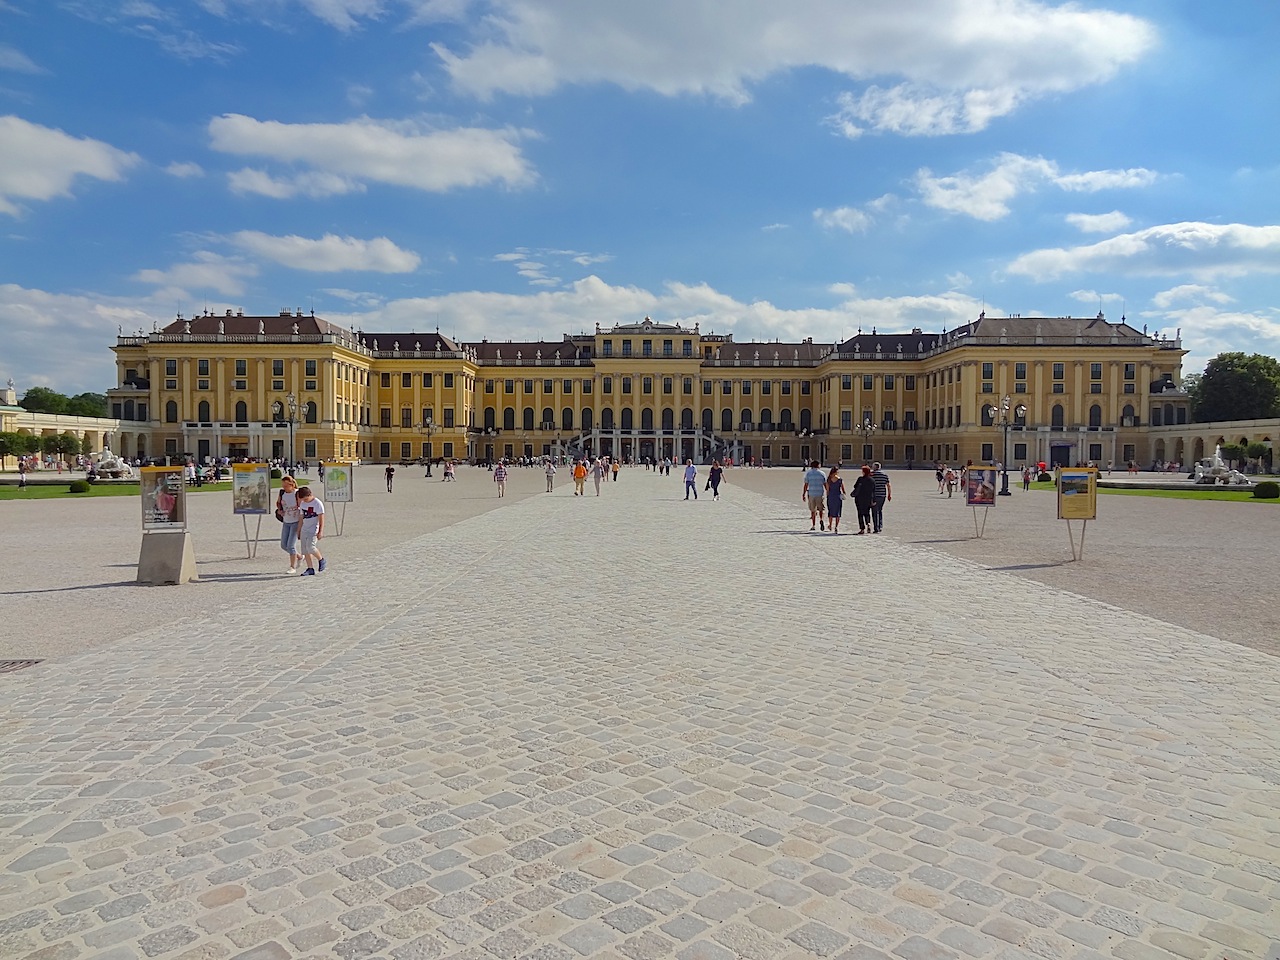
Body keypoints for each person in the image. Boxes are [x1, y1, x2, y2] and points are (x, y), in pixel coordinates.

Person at [296, 485, 325, 575]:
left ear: (309, 495)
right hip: (305, 528)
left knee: (311, 547)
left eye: (305, 499)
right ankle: (310, 568)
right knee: (305, 550)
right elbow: (301, 517)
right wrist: (299, 530)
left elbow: (321, 518)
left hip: (313, 529)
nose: (304, 501)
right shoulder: (303, 504)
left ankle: (321, 559)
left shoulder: (317, 503)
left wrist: (320, 531)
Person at [277, 475, 302, 573]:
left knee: (291, 545)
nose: (284, 488)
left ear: (292, 485)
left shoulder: (297, 493)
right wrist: (280, 510)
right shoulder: (282, 493)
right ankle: (299, 556)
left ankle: (292, 567)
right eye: (283, 486)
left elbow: (302, 505)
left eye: (286, 486)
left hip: (295, 521)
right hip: (286, 521)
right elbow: (279, 503)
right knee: (283, 545)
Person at [802, 460, 826, 531]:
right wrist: (828, 491)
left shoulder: (808, 473)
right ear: (818, 465)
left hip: (811, 493)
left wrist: (803, 494)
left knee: (813, 510)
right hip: (820, 493)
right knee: (821, 509)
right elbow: (825, 483)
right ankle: (821, 519)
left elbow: (806, 484)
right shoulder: (822, 473)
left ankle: (813, 525)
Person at [852, 465, 875, 534]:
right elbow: (874, 490)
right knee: (867, 513)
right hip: (868, 498)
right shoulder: (872, 480)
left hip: (859, 498)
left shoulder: (860, 479)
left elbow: (855, 486)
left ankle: (862, 528)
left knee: (860, 514)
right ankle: (868, 523)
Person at [870, 461, 891, 533]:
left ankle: (876, 528)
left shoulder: (872, 474)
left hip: (874, 495)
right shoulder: (885, 475)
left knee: (875, 512)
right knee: (880, 510)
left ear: (875, 467)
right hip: (882, 495)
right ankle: (880, 525)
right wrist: (889, 494)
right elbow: (888, 485)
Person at [825, 466, 846, 533]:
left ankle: (830, 525)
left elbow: (827, 490)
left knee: (830, 511)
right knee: (838, 512)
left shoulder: (829, 479)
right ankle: (836, 526)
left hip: (831, 496)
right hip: (837, 496)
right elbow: (843, 490)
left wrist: (828, 496)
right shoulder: (840, 480)